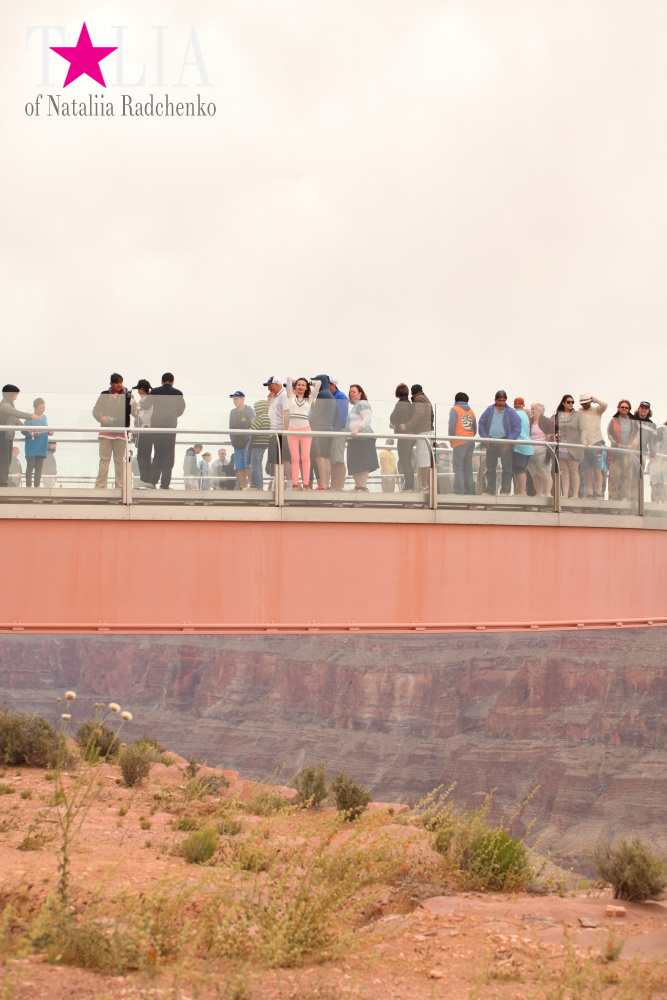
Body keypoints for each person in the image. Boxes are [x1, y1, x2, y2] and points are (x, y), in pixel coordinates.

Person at [142, 373, 186, 490]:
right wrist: (173, 415)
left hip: (157, 427)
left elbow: (145, 405)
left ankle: (152, 481)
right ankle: (165, 484)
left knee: (157, 455)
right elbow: (181, 410)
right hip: (170, 428)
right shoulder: (178, 393)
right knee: (168, 456)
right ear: (172, 382)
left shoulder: (155, 391)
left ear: (162, 381)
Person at [92, 373, 132, 489]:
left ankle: (120, 486)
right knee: (104, 460)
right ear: (111, 384)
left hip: (121, 432)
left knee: (119, 461)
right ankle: (100, 485)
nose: (119, 385)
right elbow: (95, 411)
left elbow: (134, 410)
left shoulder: (128, 395)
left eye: (120, 382)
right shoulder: (104, 395)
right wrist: (101, 418)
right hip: (106, 432)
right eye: (116, 383)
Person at [478, 391, 521, 495]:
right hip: (491, 441)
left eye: (504, 400)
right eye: (499, 400)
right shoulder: (489, 410)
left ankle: (505, 491)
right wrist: (485, 438)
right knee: (490, 468)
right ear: (495, 400)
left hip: (505, 442)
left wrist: (509, 440)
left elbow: (517, 428)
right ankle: (490, 491)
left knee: (506, 468)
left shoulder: (510, 412)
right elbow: (481, 423)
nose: (502, 403)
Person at [0, 385, 42, 488]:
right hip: (3, 436)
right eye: (15, 394)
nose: (16, 396)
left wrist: (26, 428)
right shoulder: (4, 405)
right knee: (4, 461)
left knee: (7, 461)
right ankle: (2, 484)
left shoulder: (10, 405)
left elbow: (15, 419)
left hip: (8, 437)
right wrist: (31, 416)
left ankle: (3, 483)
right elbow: (16, 413)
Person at [285, 377, 320, 489]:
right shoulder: (291, 397)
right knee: (294, 458)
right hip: (292, 430)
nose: (300, 387)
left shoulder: (309, 398)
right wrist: (297, 381)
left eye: (303, 385)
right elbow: (289, 379)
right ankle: (295, 483)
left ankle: (306, 483)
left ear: (306, 388)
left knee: (305, 457)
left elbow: (318, 383)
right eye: (298, 385)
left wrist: (308, 382)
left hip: (305, 430)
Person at [345, 384, 379, 491]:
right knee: (355, 463)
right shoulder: (355, 406)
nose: (351, 393)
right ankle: (358, 486)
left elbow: (367, 418)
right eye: (350, 392)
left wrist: (357, 429)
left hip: (363, 438)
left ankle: (362, 487)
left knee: (363, 463)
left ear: (360, 393)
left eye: (354, 391)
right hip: (354, 439)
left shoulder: (363, 404)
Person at [402, 384, 434, 492]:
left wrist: (407, 425)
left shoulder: (418, 399)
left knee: (423, 460)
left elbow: (419, 414)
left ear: (412, 392)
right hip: (428, 431)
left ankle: (425, 486)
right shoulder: (425, 398)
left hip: (423, 432)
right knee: (425, 459)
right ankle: (426, 485)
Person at [607, 399, 639, 502]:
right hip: (617, 451)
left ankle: (625, 497)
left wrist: (632, 445)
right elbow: (609, 433)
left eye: (626, 407)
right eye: (622, 407)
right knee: (614, 475)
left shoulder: (633, 421)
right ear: (619, 408)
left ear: (629, 409)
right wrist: (616, 444)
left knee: (626, 475)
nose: (624, 409)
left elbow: (636, 435)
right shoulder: (613, 420)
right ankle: (613, 497)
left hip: (628, 452)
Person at [554, 394, 584, 499]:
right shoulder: (558, 415)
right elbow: (555, 428)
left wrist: (583, 439)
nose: (571, 404)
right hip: (562, 445)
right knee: (565, 471)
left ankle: (575, 494)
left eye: (572, 402)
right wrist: (556, 434)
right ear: (563, 403)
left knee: (574, 470)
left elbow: (583, 429)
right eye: (568, 402)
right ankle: (565, 494)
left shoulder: (578, 415)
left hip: (574, 445)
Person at [578, 394, 608, 499]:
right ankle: (590, 493)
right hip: (584, 444)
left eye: (586, 402)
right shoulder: (578, 413)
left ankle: (599, 493)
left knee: (597, 469)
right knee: (587, 470)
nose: (585, 405)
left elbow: (605, 405)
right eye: (583, 403)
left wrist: (595, 399)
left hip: (597, 441)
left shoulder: (596, 411)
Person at [310, 374, 336, 490]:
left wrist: (308, 423)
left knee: (319, 456)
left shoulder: (322, 394)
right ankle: (327, 483)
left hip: (319, 429)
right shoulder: (331, 395)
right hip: (329, 429)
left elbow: (316, 413)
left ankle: (323, 484)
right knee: (326, 457)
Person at [448, 392, 477, 495]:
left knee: (458, 467)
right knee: (468, 467)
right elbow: (475, 428)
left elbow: (451, 426)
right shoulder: (471, 412)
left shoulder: (455, 409)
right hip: (470, 441)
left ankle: (458, 491)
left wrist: (451, 439)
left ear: (455, 400)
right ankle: (469, 492)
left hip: (459, 441)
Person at [389, 383, 415, 491]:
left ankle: (408, 487)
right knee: (408, 461)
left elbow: (393, 417)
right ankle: (410, 486)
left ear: (397, 393)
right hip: (412, 436)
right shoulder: (410, 404)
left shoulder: (400, 404)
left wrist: (393, 424)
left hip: (403, 436)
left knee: (404, 461)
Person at [22, 398, 52, 488]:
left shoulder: (45, 417)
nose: (43, 410)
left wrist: (49, 432)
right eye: (40, 408)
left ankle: (37, 485)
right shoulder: (29, 419)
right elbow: (24, 431)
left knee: (39, 467)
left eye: (44, 408)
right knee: (30, 466)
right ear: (35, 408)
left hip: (42, 445)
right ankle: (28, 485)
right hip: (32, 445)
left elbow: (46, 428)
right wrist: (33, 433)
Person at [229, 391, 255, 489]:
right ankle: (243, 486)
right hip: (236, 442)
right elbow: (230, 426)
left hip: (247, 441)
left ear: (242, 399)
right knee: (239, 466)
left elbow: (253, 422)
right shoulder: (232, 412)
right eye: (234, 399)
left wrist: (248, 438)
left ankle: (252, 485)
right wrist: (232, 439)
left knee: (248, 464)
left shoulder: (249, 410)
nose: (234, 401)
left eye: (236, 399)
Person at [527, 403, 555, 497]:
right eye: (531, 409)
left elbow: (554, 428)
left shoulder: (547, 421)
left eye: (533, 409)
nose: (531, 410)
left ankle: (547, 493)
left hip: (542, 451)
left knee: (545, 472)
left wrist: (550, 435)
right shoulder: (529, 421)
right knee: (535, 474)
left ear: (539, 410)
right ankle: (539, 493)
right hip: (530, 451)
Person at [131, 379, 154, 487]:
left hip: (144, 430)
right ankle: (147, 479)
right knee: (145, 455)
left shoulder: (146, 401)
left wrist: (136, 409)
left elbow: (144, 417)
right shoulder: (147, 399)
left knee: (142, 456)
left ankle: (145, 479)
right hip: (146, 431)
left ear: (141, 389)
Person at [329, 376, 348, 490]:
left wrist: (335, 431)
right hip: (332, 432)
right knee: (333, 460)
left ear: (333, 385)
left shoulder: (340, 396)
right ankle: (334, 484)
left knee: (339, 459)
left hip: (338, 431)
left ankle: (340, 486)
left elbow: (342, 416)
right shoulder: (331, 397)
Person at [512, 398, 533, 497]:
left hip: (519, 446)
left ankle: (522, 492)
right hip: (527, 445)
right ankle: (518, 492)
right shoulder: (525, 415)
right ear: (523, 405)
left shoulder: (515, 414)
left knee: (520, 469)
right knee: (519, 469)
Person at [248, 396, 270, 490]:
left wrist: (252, 424)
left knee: (255, 466)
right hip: (264, 445)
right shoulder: (267, 417)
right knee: (259, 465)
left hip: (257, 444)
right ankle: (260, 485)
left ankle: (257, 485)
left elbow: (253, 430)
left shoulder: (260, 418)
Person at [634, 402, 657, 491]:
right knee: (628, 473)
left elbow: (652, 442)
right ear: (639, 408)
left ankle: (636, 496)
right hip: (630, 450)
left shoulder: (652, 425)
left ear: (648, 411)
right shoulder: (632, 419)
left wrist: (652, 456)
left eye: (646, 408)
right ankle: (626, 496)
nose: (643, 409)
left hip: (642, 452)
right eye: (642, 407)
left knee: (639, 475)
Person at [651, 423, 667, 502]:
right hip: (655, 466)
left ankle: (664, 503)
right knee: (655, 486)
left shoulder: (664, 444)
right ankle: (655, 503)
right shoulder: (653, 443)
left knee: (663, 487)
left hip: (663, 466)